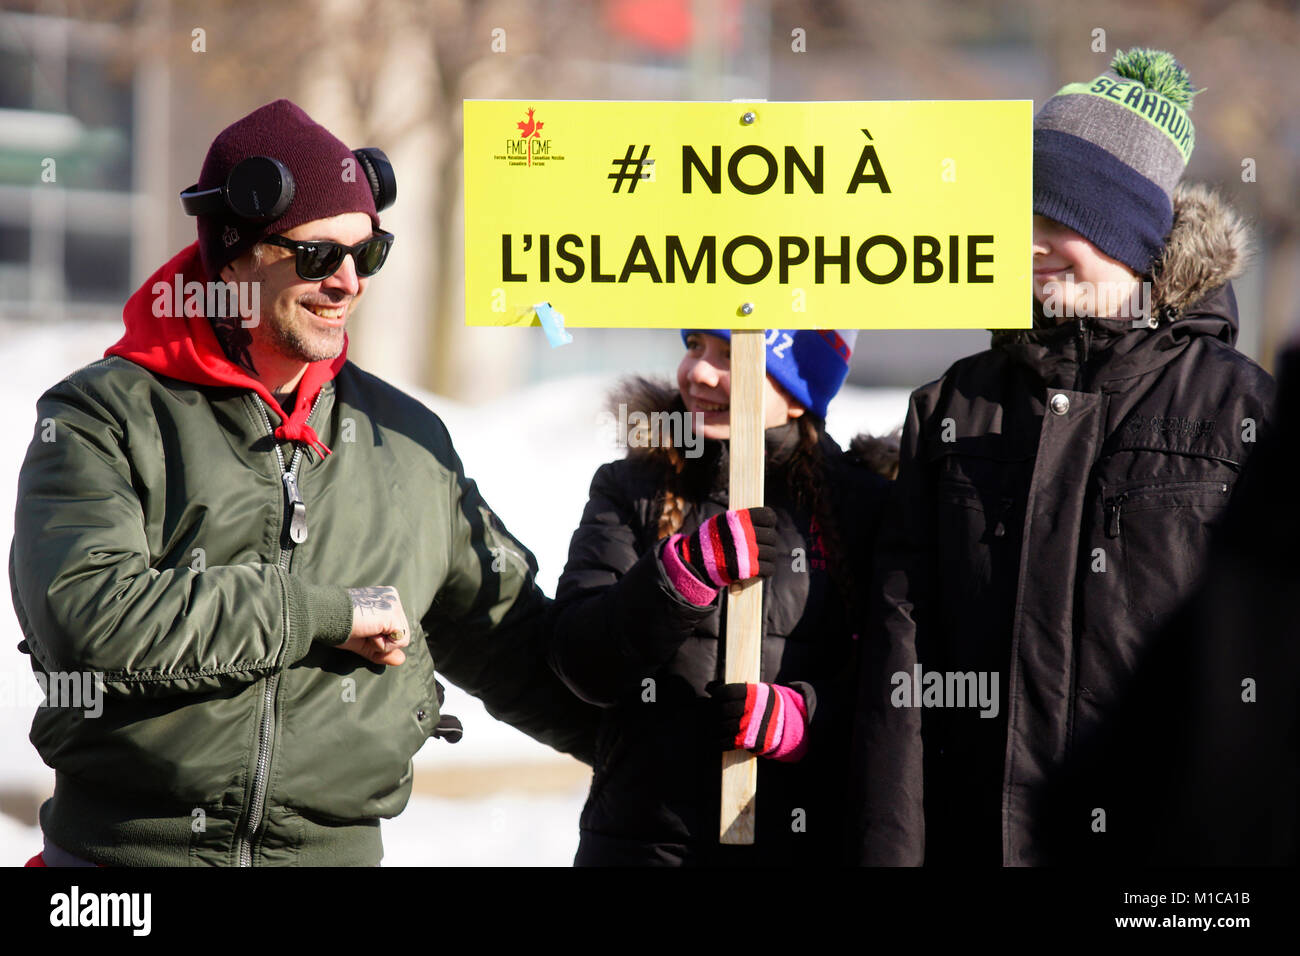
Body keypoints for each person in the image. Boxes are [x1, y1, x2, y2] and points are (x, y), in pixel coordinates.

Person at [10, 99, 596, 867]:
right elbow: (90, 619)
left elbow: (516, 647)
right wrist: (323, 612)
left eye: (369, 254)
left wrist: (677, 725)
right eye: (318, 257)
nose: (348, 282)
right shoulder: (103, 416)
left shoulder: (409, 443)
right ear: (233, 255)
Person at [858, 49, 1277, 866]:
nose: (1034, 248)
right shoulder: (951, 408)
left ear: (1131, 236)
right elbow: (897, 672)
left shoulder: (1243, 413)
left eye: (1061, 224)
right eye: (1020, 224)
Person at [549, 328, 896, 865]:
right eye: (694, 346)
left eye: (732, 354)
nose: (699, 373)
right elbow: (581, 662)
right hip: (643, 843)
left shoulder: (866, 507)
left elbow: (898, 689)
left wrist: (807, 718)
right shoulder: (633, 487)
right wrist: (679, 574)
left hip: (804, 842)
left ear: (801, 385)